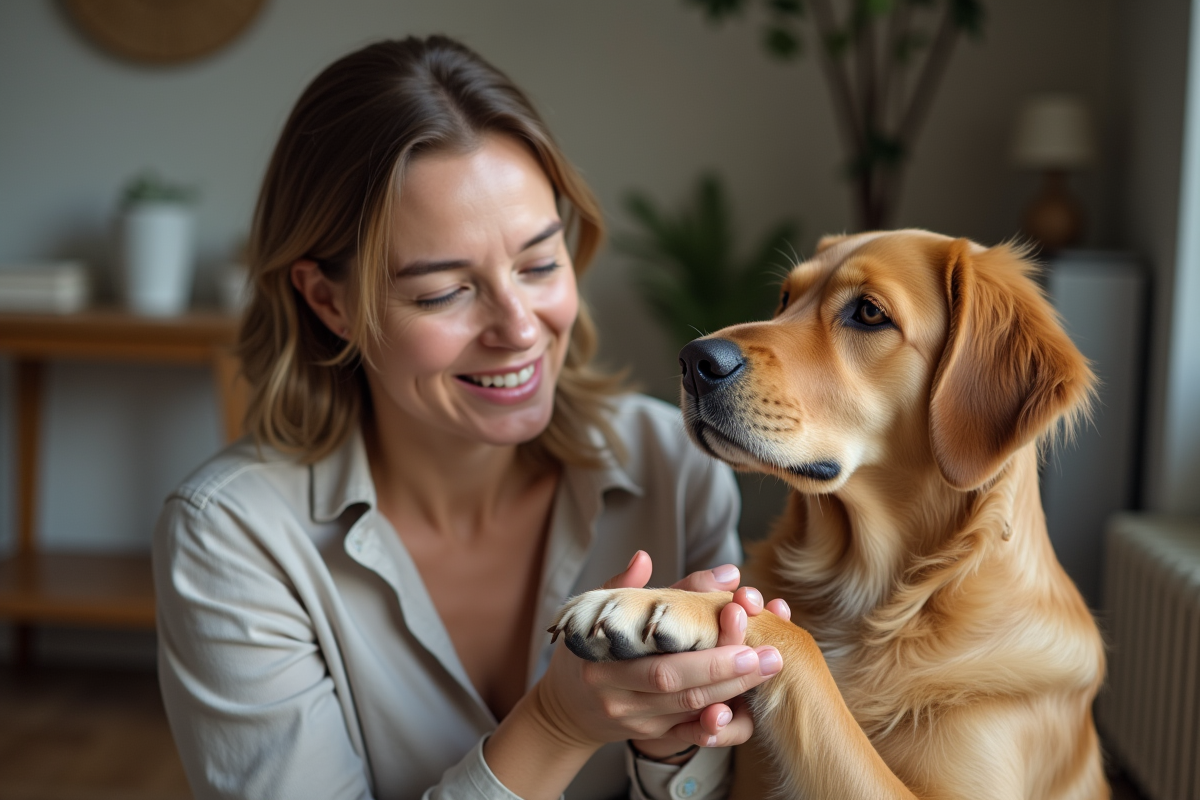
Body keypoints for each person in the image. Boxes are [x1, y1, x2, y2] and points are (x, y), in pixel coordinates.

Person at [153, 36, 787, 800]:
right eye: (443, 291)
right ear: (330, 302)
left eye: (540, 263)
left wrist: (671, 745)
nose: (519, 327)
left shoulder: (673, 465)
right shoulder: (233, 535)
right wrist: (556, 725)